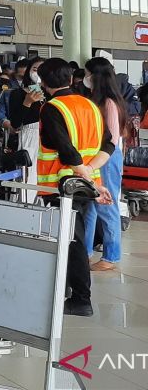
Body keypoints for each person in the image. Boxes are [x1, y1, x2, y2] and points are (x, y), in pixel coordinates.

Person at [35, 58, 114, 317]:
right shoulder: (90, 105)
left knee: (72, 240)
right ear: (70, 79)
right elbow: (108, 145)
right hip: (84, 184)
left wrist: (86, 177)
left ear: (44, 83)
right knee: (73, 237)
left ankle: (81, 299)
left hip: (62, 186)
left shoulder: (52, 107)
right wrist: (91, 176)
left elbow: (66, 150)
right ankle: (69, 292)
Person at [82, 57, 131, 273]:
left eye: (87, 73)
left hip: (106, 158)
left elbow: (110, 139)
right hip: (96, 156)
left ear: (95, 76)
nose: (85, 78)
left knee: (106, 205)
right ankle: (84, 252)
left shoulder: (109, 103)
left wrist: (95, 163)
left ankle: (111, 256)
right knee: (91, 206)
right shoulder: (97, 99)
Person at [0, 57, 45, 175]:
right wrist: (27, 103)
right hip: (29, 137)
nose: (38, 73)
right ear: (29, 71)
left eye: (42, 70)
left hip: (48, 139)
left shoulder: (51, 94)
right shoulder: (17, 93)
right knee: (29, 174)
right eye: (35, 69)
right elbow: (16, 123)